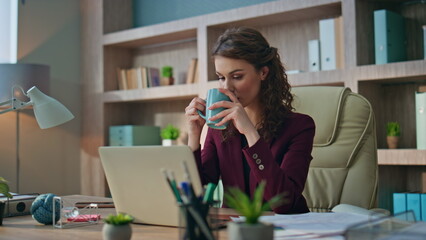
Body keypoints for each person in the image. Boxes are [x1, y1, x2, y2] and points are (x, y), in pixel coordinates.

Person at [184, 27, 315, 214]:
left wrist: (251, 133)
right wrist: (193, 135)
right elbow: (200, 186)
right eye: (221, 78)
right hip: (233, 229)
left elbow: (284, 203)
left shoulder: (300, 127)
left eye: (237, 77)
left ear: (263, 73)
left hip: (285, 230)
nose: (227, 87)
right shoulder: (220, 126)